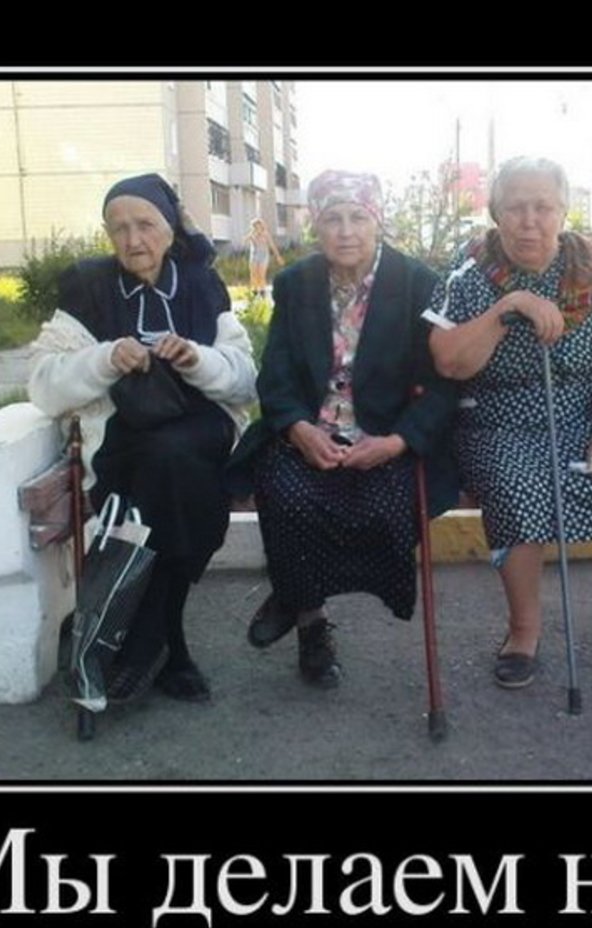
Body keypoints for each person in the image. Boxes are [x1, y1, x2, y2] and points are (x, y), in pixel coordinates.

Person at [426, 156, 592, 692]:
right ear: (495, 213)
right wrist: (508, 307)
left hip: (582, 416)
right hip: (496, 420)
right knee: (518, 489)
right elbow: (448, 362)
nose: (529, 221)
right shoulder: (468, 267)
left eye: (543, 207)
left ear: (563, 211)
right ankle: (524, 633)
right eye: (515, 207)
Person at [28, 173, 258, 702]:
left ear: (170, 228)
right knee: (168, 469)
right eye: (119, 229)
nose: (133, 240)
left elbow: (246, 380)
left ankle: (145, 639)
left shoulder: (201, 285)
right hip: (123, 443)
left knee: (173, 458)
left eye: (146, 225)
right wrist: (106, 358)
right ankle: (168, 645)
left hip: (202, 431)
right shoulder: (90, 286)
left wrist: (198, 359)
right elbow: (43, 385)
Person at [225, 169, 457, 687]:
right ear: (316, 225)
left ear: (378, 221)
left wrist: (397, 441)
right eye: (333, 219)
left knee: (386, 509)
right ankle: (310, 622)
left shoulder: (418, 283)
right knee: (284, 491)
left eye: (358, 217)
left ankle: (290, 592)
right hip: (312, 430)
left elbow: (443, 384)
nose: (346, 231)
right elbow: (276, 374)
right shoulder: (296, 283)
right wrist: (298, 429)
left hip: (386, 436)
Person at [245, 217, 284, 299]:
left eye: (259, 226)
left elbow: (272, 246)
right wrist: (252, 237)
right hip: (254, 256)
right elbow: (245, 240)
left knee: (261, 275)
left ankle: (263, 294)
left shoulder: (266, 234)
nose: (257, 228)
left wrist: (278, 257)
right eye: (255, 226)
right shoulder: (252, 235)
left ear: (262, 226)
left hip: (264, 256)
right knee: (253, 275)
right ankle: (255, 293)